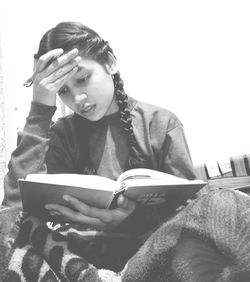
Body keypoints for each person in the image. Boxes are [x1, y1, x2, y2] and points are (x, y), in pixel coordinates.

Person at [2, 21, 196, 270]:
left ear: (110, 63)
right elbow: (13, 213)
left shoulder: (159, 124)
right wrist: (41, 109)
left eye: (82, 79)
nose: (77, 99)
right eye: (62, 91)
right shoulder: (61, 134)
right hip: (77, 263)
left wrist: (133, 221)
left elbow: (192, 216)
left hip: (150, 257)